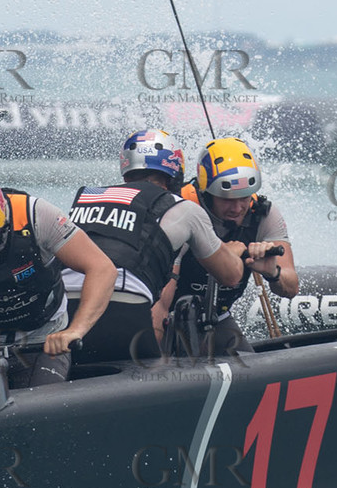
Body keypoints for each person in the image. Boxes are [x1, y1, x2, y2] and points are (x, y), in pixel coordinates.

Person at [65, 129, 245, 364]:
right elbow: (230, 276)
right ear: (175, 174)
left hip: (66, 313)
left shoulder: (89, 197)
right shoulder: (184, 208)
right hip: (122, 312)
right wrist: (232, 252)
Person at [0, 170, 117, 387]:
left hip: (42, 339)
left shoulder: (38, 216)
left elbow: (102, 268)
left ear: (2, 223)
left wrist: (75, 331)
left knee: (41, 402)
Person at [157, 137, 298, 355]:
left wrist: (273, 272)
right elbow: (161, 301)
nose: (237, 208)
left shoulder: (263, 214)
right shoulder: (182, 211)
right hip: (169, 317)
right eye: (227, 199)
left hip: (218, 317)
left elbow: (291, 288)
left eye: (244, 197)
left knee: (252, 372)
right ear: (207, 194)